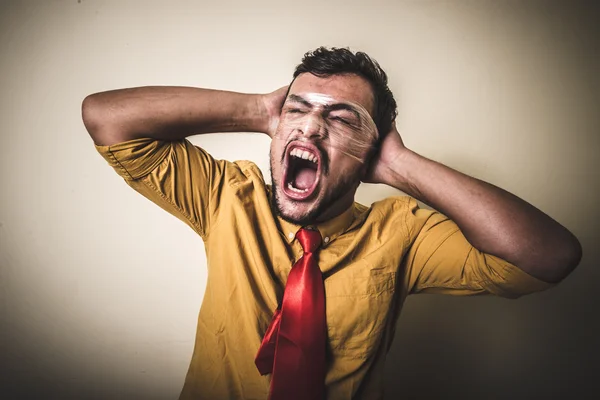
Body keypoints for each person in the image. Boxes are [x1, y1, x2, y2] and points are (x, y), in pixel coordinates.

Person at [82, 47, 582, 400]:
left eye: (342, 120)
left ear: (372, 151)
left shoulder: (402, 233)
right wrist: (258, 109)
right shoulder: (226, 196)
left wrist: (397, 164)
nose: (311, 126)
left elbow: (549, 255)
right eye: (296, 111)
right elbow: (106, 117)